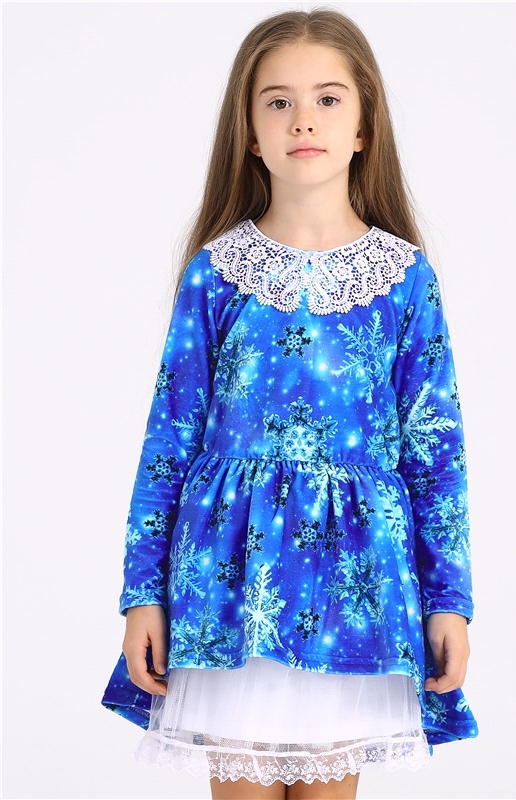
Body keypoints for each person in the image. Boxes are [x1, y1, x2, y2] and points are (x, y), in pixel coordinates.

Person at [102, 9, 477, 799]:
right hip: (229, 581)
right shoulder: (215, 274)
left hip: (356, 582)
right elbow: (168, 440)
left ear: (364, 126)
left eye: (327, 99)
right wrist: (142, 593)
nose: (303, 119)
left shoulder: (403, 281)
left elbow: (435, 453)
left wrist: (449, 602)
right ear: (248, 131)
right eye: (278, 101)